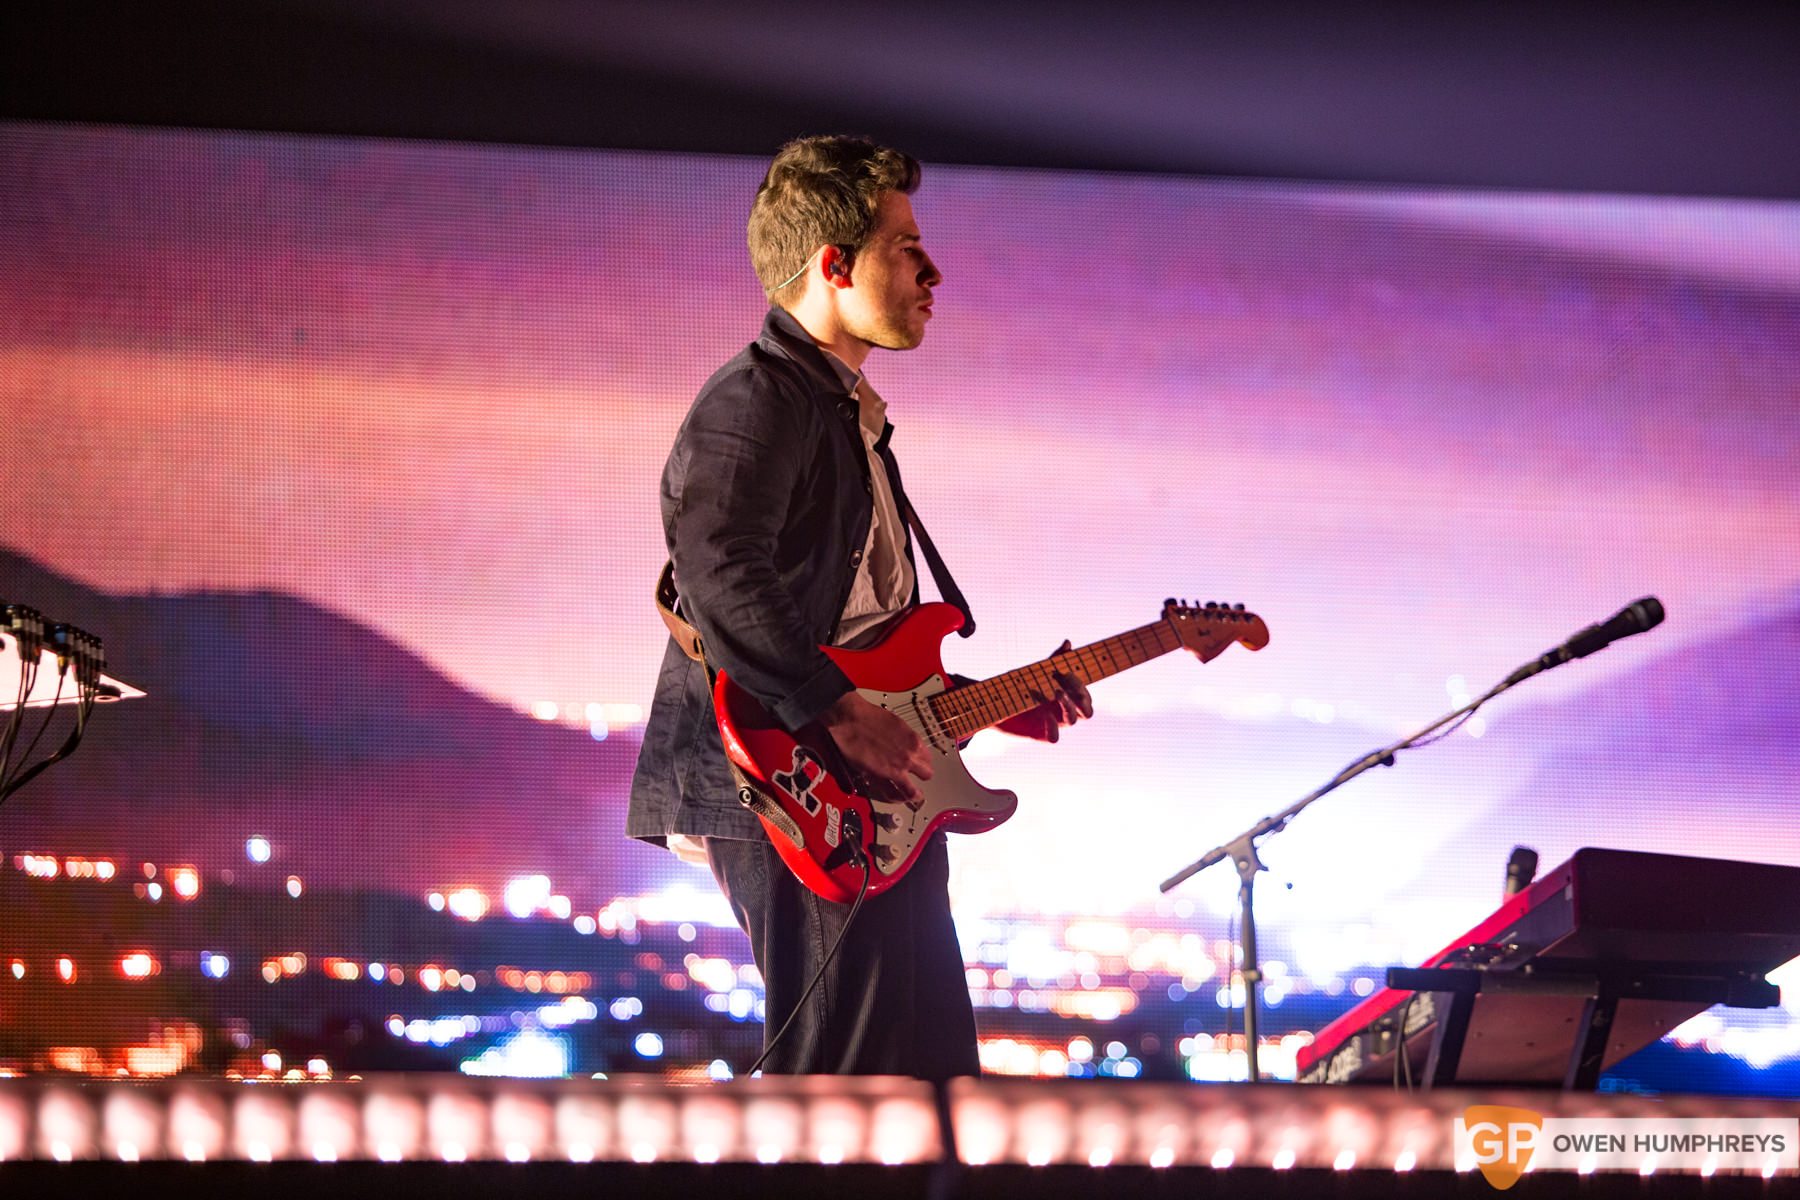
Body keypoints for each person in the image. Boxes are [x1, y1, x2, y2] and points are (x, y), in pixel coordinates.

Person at [628, 135, 1091, 1079]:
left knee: (922, 1074)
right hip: (789, 779)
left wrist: (985, 701)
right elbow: (717, 565)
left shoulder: (842, 412)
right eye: (906, 245)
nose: (934, 269)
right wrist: (832, 713)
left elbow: (860, 633)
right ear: (834, 266)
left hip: (857, 778)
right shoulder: (756, 401)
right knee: (841, 1087)